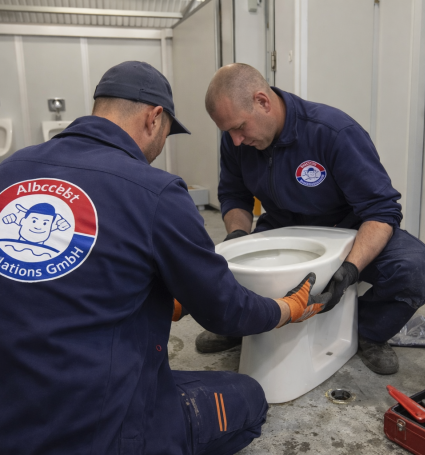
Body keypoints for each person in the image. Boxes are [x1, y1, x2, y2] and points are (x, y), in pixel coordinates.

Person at [0, 61, 331, 455]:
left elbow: (79, 272)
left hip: (10, 411)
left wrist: (159, 296)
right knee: (248, 396)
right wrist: (286, 309)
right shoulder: (154, 191)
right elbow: (225, 310)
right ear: (154, 118)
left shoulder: (10, 170)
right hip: (102, 432)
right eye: (167, 134)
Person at [198, 63, 425, 375]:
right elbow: (235, 195)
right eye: (228, 132)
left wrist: (351, 268)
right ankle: (244, 324)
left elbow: (381, 211)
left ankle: (367, 332)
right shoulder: (237, 141)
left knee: (417, 271)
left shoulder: (334, 133)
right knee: (230, 263)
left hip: (350, 227)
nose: (235, 140)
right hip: (284, 226)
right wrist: (237, 236)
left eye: (239, 127)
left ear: (262, 101)